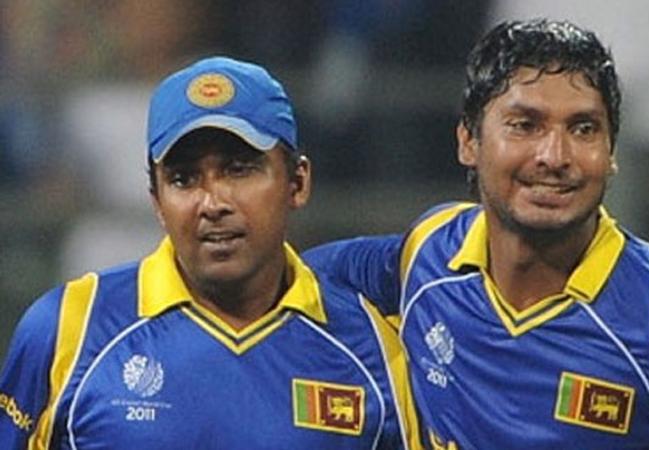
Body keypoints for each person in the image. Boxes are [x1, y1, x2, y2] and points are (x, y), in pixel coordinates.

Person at [304, 19, 649, 449]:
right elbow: (302, 280)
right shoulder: (432, 251)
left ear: (611, 153)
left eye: (584, 129)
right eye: (524, 125)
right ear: (468, 142)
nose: (554, 156)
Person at [0, 56, 416, 449]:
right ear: (156, 201)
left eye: (239, 169)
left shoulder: (376, 347)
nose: (212, 201)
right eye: (183, 179)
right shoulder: (71, 329)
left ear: (298, 182)